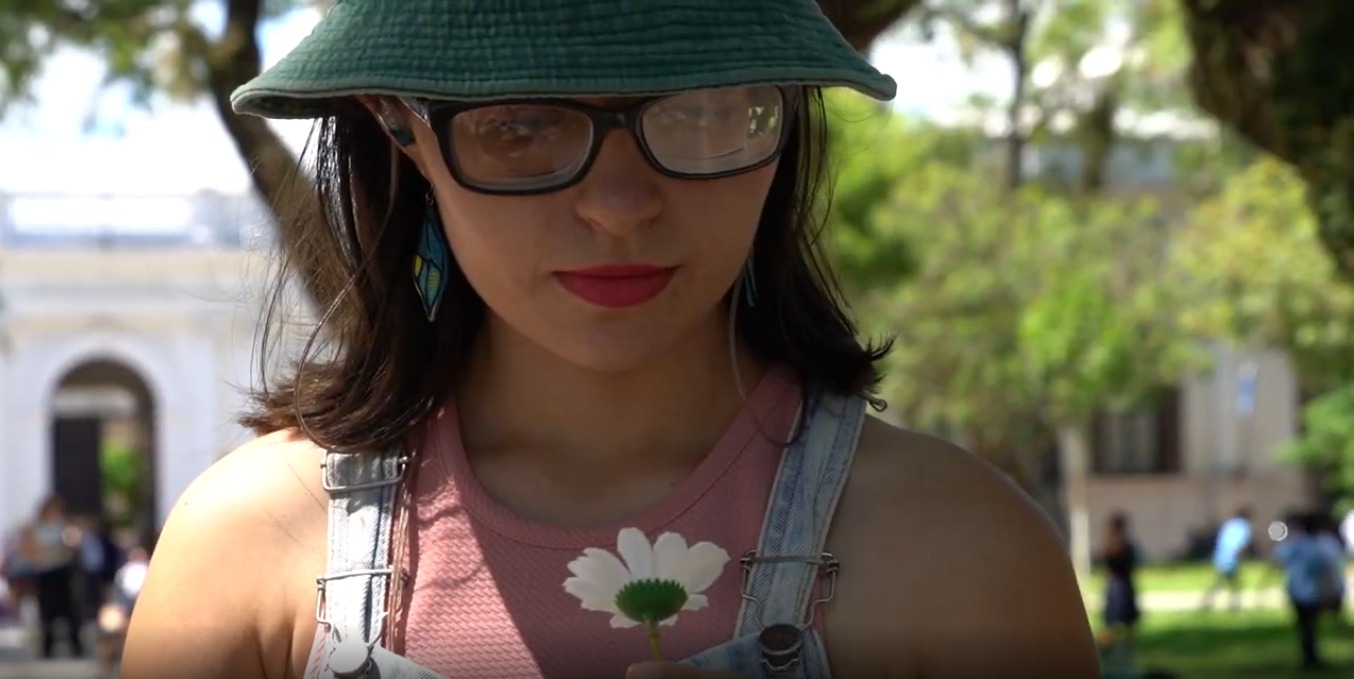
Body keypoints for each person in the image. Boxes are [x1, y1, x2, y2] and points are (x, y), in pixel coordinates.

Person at [120, 2, 1100, 678]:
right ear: (398, 124)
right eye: (521, 124)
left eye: (703, 107)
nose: (620, 204)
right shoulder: (246, 552)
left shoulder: (961, 554)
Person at [1274, 512, 1338, 671]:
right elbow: (1323, 569)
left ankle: (1308, 656)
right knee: (1310, 626)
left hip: (1296, 590)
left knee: (1303, 626)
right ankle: (1311, 657)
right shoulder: (1314, 547)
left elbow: (1278, 559)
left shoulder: (1292, 544)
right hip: (1311, 592)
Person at [25, 496, 85, 658]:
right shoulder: (35, 527)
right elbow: (29, 549)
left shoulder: (64, 525)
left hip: (62, 571)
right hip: (45, 573)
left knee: (70, 610)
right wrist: (43, 555)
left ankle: (76, 645)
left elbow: (73, 546)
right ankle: (47, 647)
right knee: (46, 612)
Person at [96, 545, 149, 679]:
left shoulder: (148, 571)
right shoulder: (123, 572)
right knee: (109, 635)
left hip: (141, 611)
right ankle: (105, 669)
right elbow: (117, 596)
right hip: (122, 608)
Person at [1099, 513, 1141, 672]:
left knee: (1118, 622)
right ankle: (1109, 650)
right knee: (1115, 622)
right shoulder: (1120, 546)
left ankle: (1117, 651)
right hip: (1120, 585)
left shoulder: (1117, 546)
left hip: (1118, 584)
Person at [1200, 507, 1252, 611]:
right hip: (1232, 558)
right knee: (1234, 583)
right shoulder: (1244, 527)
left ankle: (1207, 603)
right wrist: (1240, 558)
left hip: (1220, 556)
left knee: (1219, 582)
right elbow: (1241, 544)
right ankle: (1233, 605)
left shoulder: (1229, 524)